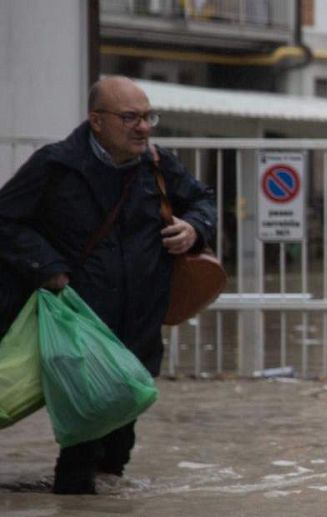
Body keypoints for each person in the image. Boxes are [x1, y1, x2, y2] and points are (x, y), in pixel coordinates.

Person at [0, 77, 217, 494]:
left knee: (119, 434)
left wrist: (195, 228)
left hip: (140, 318)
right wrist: (48, 267)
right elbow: (7, 221)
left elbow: (203, 199)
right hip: (79, 320)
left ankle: (106, 514)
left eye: (147, 116)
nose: (143, 127)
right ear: (97, 121)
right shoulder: (56, 165)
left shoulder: (156, 163)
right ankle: (79, 516)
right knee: (83, 435)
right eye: (130, 118)